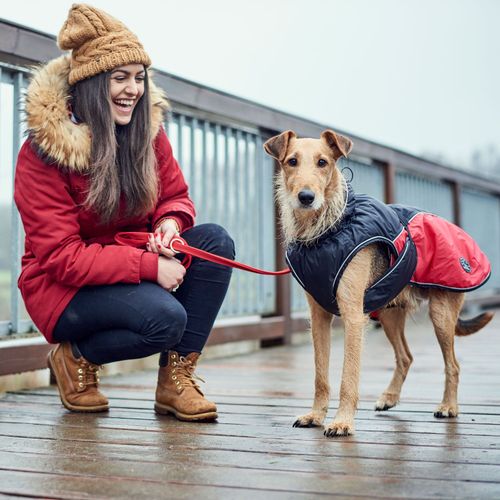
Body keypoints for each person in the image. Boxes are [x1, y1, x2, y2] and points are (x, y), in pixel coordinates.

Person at [13, 4, 234, 421]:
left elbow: (176, 196)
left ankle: (175, 381)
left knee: (215, 243)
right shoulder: (43, 153)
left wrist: (170, 224)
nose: (133, 89)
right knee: (165, 320)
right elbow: (62, 257)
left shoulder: (145, 132)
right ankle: (74, 358)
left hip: (127, 261)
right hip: (63, 288)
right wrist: (149, 266)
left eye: (139, 77)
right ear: (92, 84)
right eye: (120, 78)